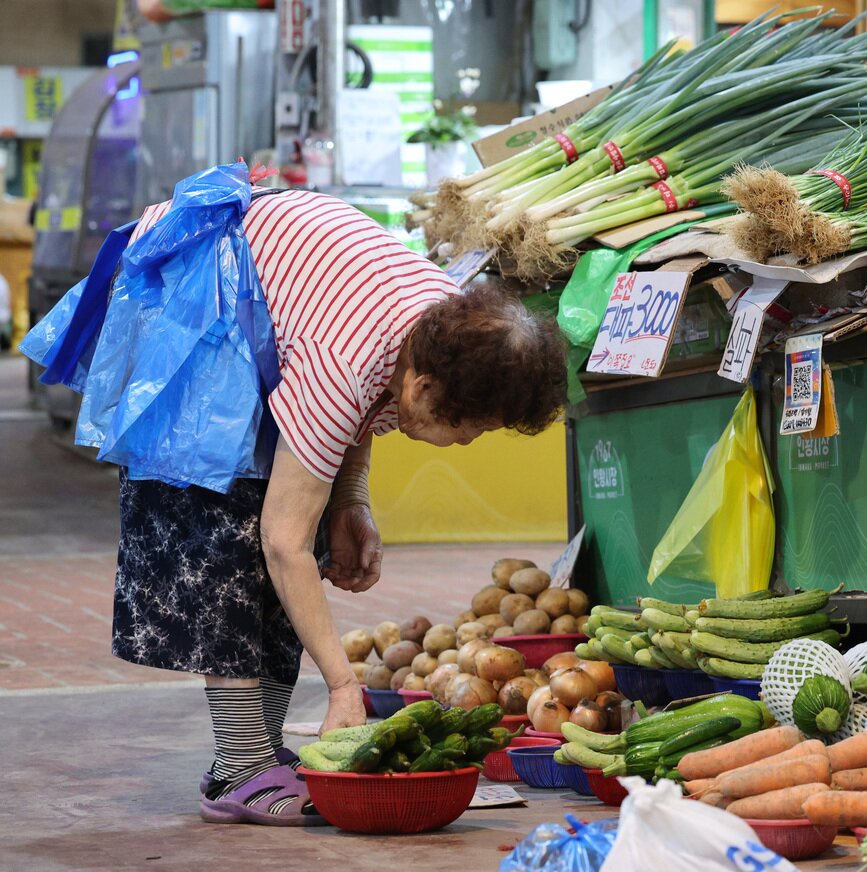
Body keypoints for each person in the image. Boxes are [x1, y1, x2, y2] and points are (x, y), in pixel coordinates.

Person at [39, 181, 568, 825]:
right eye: (469, 427)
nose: (465, 443)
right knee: (229, 529)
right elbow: (282, 539)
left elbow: (367, 404)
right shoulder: (349, 359)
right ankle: (240, 763)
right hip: (194, 295)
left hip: (267, 304)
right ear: (426, 388)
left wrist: (351, 501)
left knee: (297, 522)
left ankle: (258, 752)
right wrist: (343, 687)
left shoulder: (443, 325)